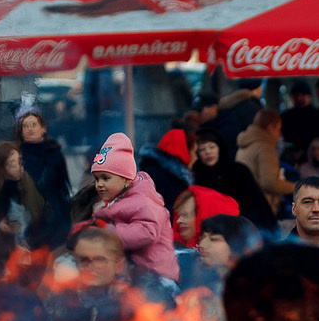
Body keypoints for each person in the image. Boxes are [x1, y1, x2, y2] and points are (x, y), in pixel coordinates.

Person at [86, 133, 180, 283]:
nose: (99, 184)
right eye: (97, 179)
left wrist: (109, 231)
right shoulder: (119, 200)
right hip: (136, 274)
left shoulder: (143, 201)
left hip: (156, 277)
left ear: (125, 179)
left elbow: (147, 233)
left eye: (106, 178)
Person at [190, 128, 276, 232]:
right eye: (202, 149)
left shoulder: (238, 170)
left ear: (219, 148)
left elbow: (257, 201)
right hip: (213, 229)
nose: (208, 152)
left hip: (246, 226)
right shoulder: (196, 177)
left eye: (212, 147)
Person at [0, 140, 52, 260]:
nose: (18, 167)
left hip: (33, 248)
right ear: (0, 168)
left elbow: (43, 218)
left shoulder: (30, 187)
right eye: (11, 163)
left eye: (19, 161)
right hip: (2, 252)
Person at [15, 110, 73, 235]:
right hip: (27, 210)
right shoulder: (16, 155)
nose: (30, 129)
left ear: (43, 128)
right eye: (25, 126)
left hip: (55, 209)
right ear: (21, 131)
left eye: (33, 125)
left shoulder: (54, 152)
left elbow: (63, 185)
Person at [237, 108, 297, 210]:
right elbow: (270, 183)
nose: (279, 135)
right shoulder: (265, 148)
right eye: (278, 129)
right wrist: (295, 187)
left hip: (247, 203)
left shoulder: (246, 144)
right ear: (270, 127)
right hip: (262, 206)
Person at [144, 128, 195, 210]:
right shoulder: (158, 176)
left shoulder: (177, 176)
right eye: (194, 152)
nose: (196, 157)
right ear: (185, 151)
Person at [280, 80, 319, 166]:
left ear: (309, 97)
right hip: (290, 156)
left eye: (302, 95)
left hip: (312, 156)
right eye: (296, 95)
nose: (299, 98)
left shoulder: (317, 115)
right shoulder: (286, 116)